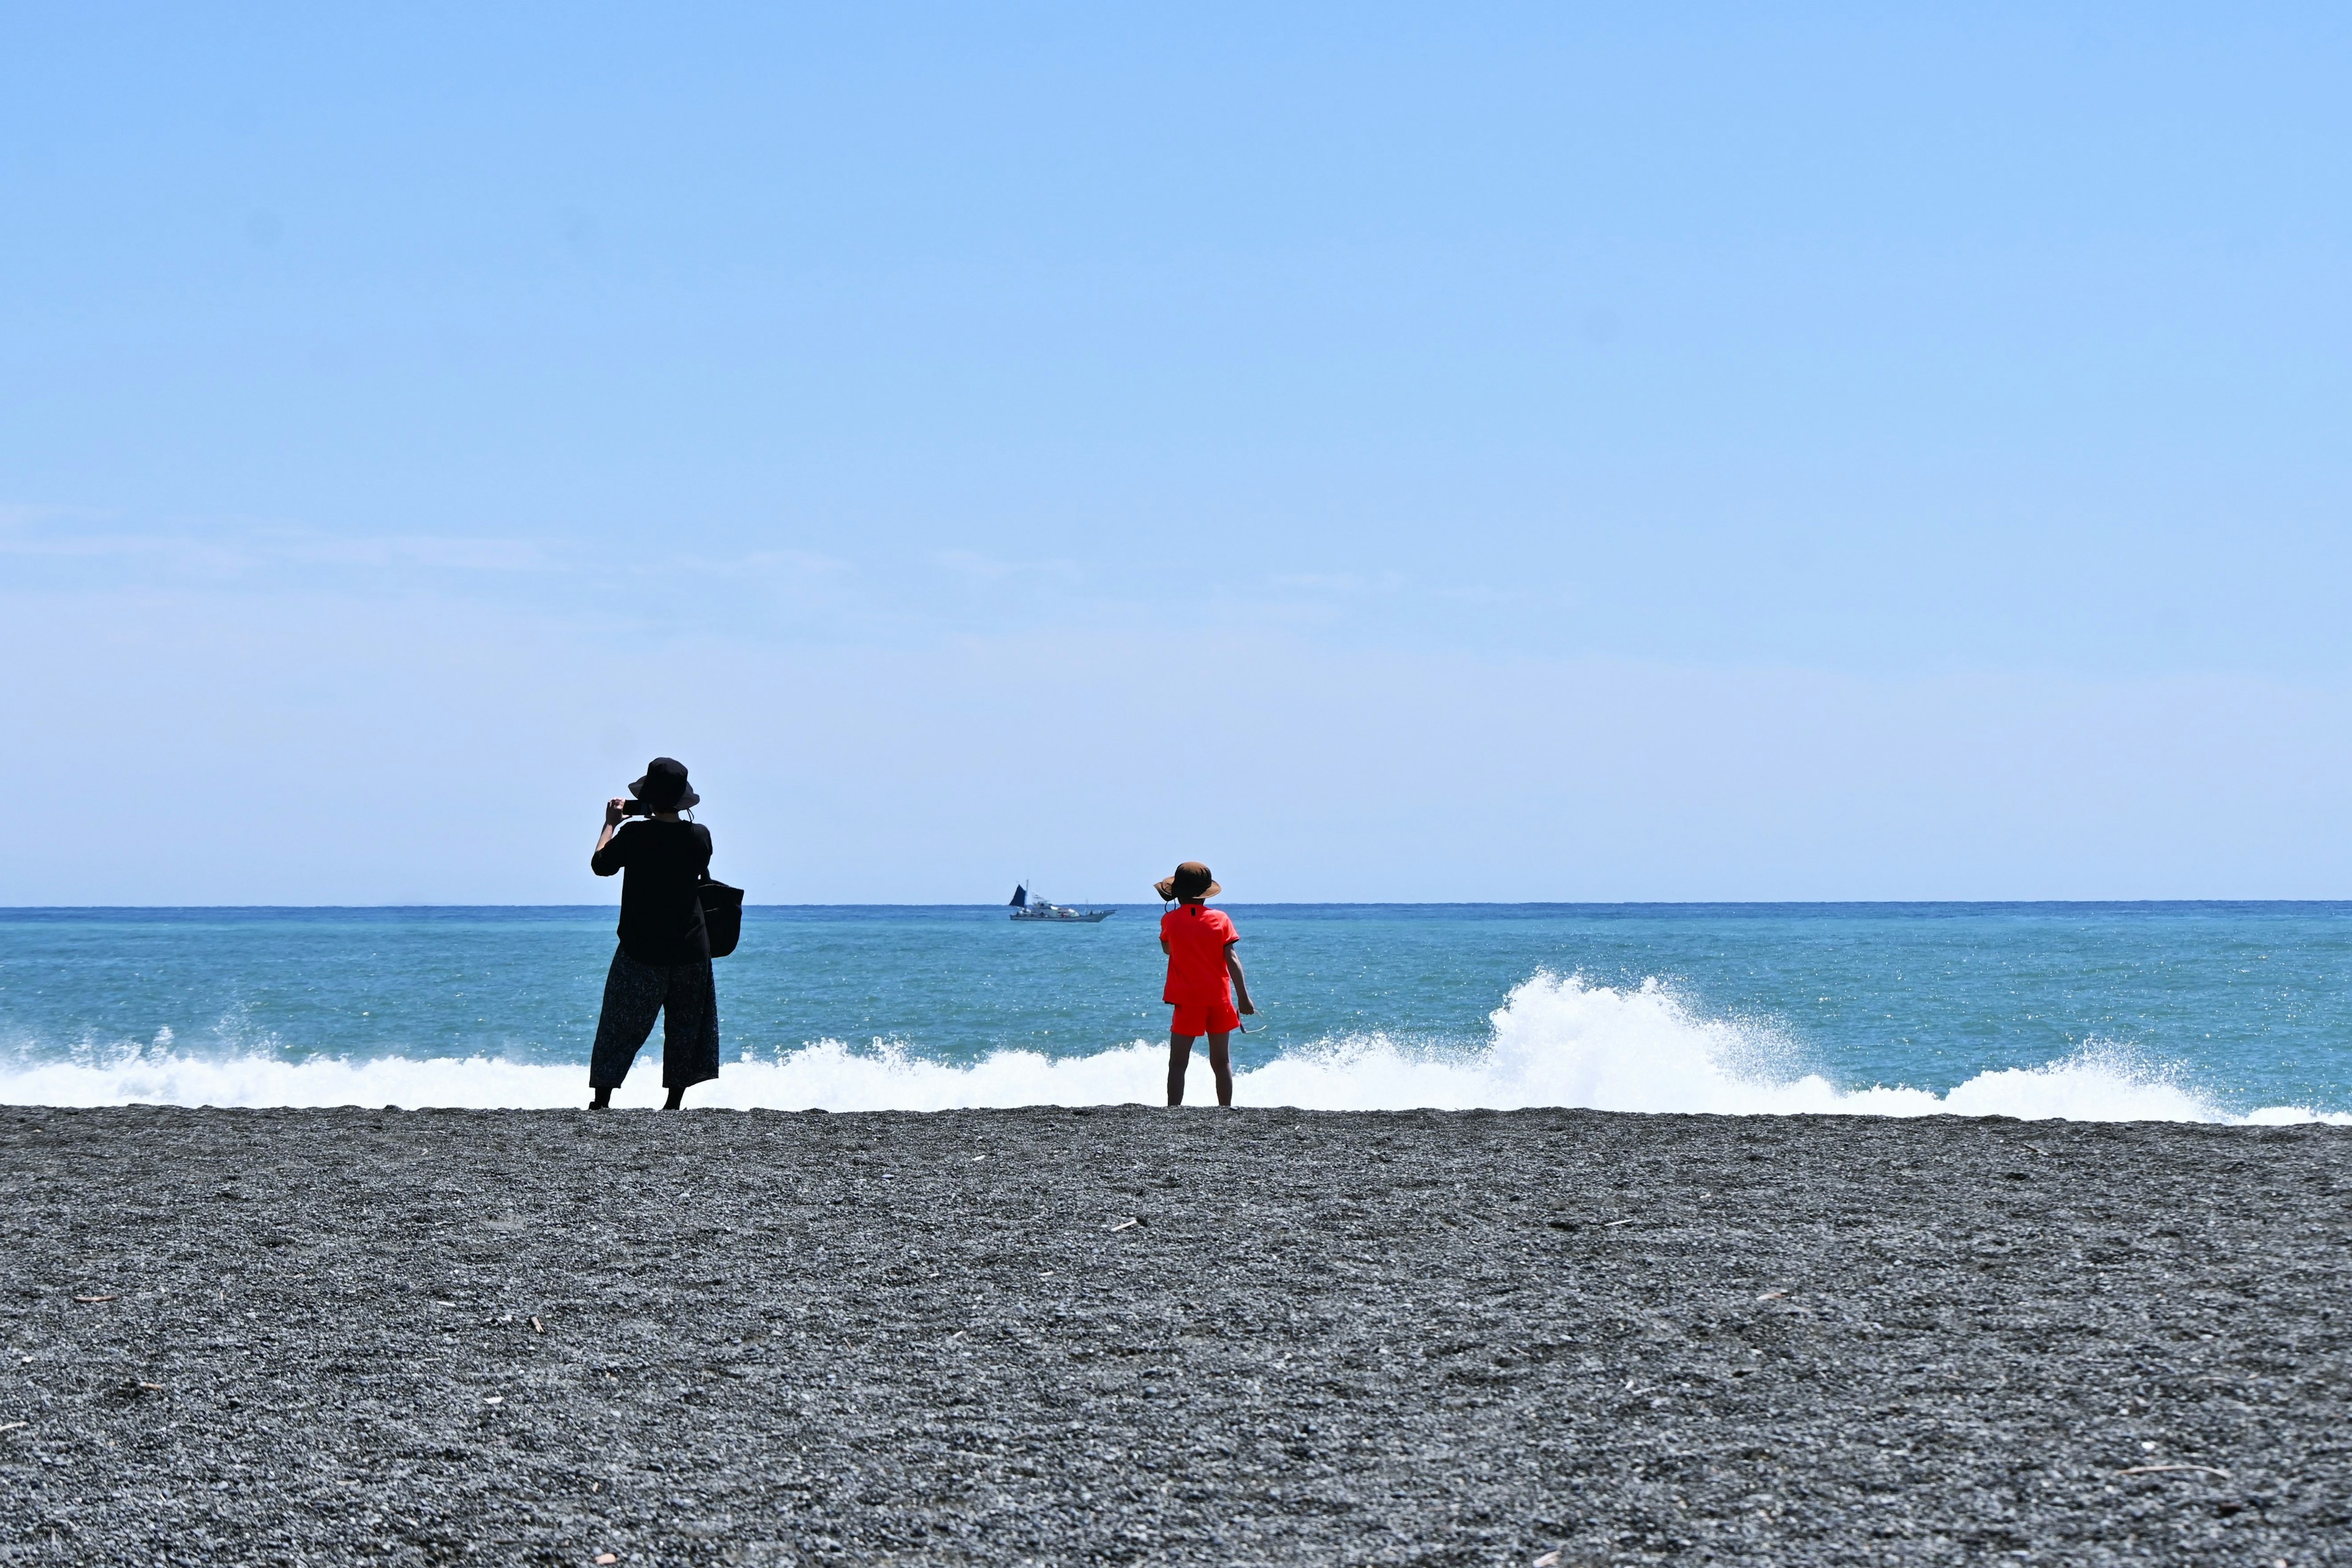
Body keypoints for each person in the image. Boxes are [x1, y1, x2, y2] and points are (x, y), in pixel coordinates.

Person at [587, 757, 720, 1109]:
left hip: (641, 946)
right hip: (691, 946)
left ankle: (602, 1101)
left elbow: (601, 866)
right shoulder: (700, 835)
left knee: (620, 1023)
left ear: (648, 797)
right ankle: (673, 1103)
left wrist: (610, 824)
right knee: (686, 1026)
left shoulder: (634, 834)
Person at [1155, 861, 1255, 1106]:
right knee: (1222, 1062)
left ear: (1177, 892)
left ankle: (1173, 1111)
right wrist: (1243, 997)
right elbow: (1231, 958)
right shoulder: (1221, 919)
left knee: (1178, 1063)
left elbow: (1167, 949)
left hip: (1187, 1000)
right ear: (1205, 893)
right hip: (1218, 999)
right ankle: (1225, 1109)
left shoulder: (1170, 921)